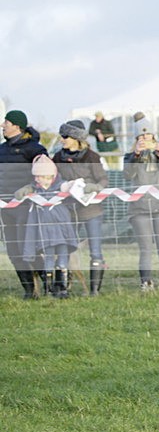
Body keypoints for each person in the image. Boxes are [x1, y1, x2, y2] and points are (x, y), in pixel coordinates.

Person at [52, 120, 109, 295]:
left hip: (91, 210)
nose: (62, 140)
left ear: (76, 138)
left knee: (95, 250)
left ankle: (94, 290)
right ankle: (63, 288)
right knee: (64, 248)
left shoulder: (92, 157)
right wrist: (62, 185)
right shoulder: (58, 157)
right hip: (68, 211)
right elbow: (53, 179)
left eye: (65, 136)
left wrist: (94, 187)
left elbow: (103, 180)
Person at [124, 116, 159, 290]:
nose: (145, 139)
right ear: (136, 139)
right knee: (145, 247)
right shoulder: (130, 156)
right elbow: (127, 175)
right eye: (141, 136)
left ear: (154, 136)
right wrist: (136, 156)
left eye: (148, 135)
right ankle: (146, 282)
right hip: (139, 208)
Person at [16, 155, 80, 298]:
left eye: (39, 176)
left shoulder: (60, 185)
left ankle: (62, 287)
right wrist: (24, 191)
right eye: (36, 176)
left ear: (49, 175)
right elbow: (25, 191)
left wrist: (82, 186)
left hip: (62, 228)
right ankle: (49, 287)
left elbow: (70, 186)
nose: (37, 179)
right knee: (48, 257)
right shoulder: (35, 189)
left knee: (63, 256)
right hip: (44, 230)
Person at [0, 110, 48, 298]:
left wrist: (30, 187)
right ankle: (29, 290)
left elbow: (46, 174)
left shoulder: (34, 148)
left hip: (26, 206)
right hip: (5, 208)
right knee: (13, 250)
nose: (3, 125)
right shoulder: (1, 149)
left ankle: (50, 283)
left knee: (28, 247)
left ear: (17, 126)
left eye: (7, 122)